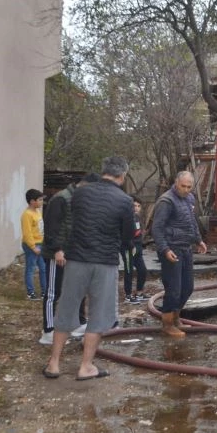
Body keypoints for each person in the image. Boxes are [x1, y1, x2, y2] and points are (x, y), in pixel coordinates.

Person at [43, 157, 134, 381]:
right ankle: (86, 366)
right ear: (122, 176)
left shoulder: (80, 193)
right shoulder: (124, 201)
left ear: (102, 171)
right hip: (104, 262)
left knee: (66, 307)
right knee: (98, 314)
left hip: (77, 259)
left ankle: (54, 363)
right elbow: (127, 236)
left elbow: (73, 223)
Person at [39, 173, 99, 345]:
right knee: (53, 292)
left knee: (75, 290)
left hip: (74, 254)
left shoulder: (81, 201)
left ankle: (77, 323)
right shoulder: (61, 199)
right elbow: (51, 228)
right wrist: (57, 249)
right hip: (56, 254)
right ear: (84, 185)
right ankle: (48, 330)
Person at [151, 171, 208, 338]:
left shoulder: (189, 199)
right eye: (183, 186)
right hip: (172, 249)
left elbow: (192, 222)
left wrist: (199, 240)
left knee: (187, 287)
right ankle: (167, 323)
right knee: (173, 289)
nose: (186, 190)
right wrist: (165, 249)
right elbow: (157, 228)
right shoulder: (166, 201)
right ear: (176, 183)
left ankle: (176, 317)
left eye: (189, 187)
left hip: (186, 248)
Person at [121, 195, 148, 304]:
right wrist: (131, 246)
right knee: (129, 271)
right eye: (134, 205)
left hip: (137, 247)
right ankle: (128, 296)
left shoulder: (137, 218)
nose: (136, 208)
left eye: (138, 206)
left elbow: (139, 233)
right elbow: (124, 235)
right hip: (128, 248)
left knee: (142, 270)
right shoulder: (126, 217)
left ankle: (139, 293)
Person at [21, 188, 46, 301]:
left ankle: (44, 291)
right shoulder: (27, 214)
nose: (41, 202)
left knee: (43, 268)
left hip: (40, 243)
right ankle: (30, 293)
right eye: (39, 200)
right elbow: (27, 233)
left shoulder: (37, 212)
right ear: (32, 201)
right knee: (30, 269)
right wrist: (33, 247)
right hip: (32, 245)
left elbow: (40, 229)